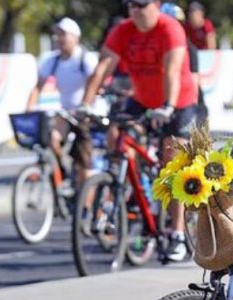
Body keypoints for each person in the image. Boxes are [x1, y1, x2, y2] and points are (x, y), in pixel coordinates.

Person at [83, 0, 198, 262]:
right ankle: (124, 180)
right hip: (143, 98)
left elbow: (171, 70)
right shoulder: (124, 29)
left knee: (171, 162)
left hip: (178, 101)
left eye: (141, 4)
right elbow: (103, 66)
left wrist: (168, 106)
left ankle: (177, 233)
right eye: (131, 5)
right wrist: (85, 104)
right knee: (115, 132)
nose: (135, 9)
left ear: (156, 5)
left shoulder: (169, 28)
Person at [26, 17, 97, 191]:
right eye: (57, 35)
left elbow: (94, 84)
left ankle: (85, 206)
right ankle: (63, 173)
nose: (59, 39)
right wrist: (29, 109)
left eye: (63, 35)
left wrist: (85, 106)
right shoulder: (53, 61)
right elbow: (38, 87)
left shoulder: (84, 59)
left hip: (85, 112)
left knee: (83, 159)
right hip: (65, 111)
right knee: (53, 139)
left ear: (75, 38)